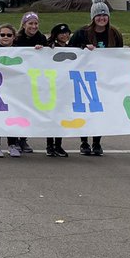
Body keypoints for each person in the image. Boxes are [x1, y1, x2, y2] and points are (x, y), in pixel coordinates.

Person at [71, 0, 124, 156]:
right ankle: (84, 141)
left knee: (100, 111)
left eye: (104, 15)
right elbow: (70, 50)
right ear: (93, 17)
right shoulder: (83, 32)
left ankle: (97, 142)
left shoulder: (114, 34)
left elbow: (121, 55)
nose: (102, 18)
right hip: (84, 77)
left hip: (104, 78)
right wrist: (83, 48)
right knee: (86, 110)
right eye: (98, 15)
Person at [12, 12, 48, 154]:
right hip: (17, 79)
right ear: (24, 24)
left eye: (36, 23)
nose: (34, 26)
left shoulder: (41, 38)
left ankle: (23, 139)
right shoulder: (17, 38)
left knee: (28, 110)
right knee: (16, 109)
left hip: (34, 79)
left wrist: (43, 50)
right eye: (30, 23)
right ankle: (14, 139)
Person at [0, 23, 19, 158]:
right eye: (2, 35)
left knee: (13, 116)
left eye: (9, 35)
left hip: (13, 90)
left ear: (14, 37)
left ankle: (12, 144)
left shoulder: (20, 51)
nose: (5, 37)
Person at [45, 23, 72, 158]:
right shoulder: (49, 48)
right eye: (61, 33)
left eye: (67, 32)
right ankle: (50, 145)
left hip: (65, 87)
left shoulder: (72, 49)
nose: (64, 35)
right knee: (51, 116)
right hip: (51, 86)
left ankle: (59, 145)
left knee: (61, 116)